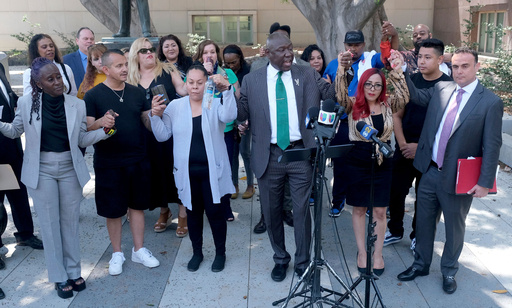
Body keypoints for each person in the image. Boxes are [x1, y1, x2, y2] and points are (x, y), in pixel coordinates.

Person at [0, 57, 110, 299]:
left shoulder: (76, 105)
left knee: (69, 223)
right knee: (49, 226)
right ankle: (59, 277)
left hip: (70, 167)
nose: (58, 82)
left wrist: (105, 131)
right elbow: (14, 130)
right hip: (41, 169)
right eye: (51, 79)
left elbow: (81, 140)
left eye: (59, 76)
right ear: (39, 84)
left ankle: (74, 271)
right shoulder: (27, 103)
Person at [395, 47, 503, 294]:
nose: (459, 71)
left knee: (454, 228)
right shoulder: (442, 89)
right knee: (423, 222)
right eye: (455, 66)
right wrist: (402, 71)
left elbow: (492, 145)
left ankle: (449, 271)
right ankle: (420, 264)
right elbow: (418, 97)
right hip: (430, 172)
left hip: (460, 178)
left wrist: (485, 182)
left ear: (477, 67)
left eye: (465, 66)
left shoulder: (490, 102)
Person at [238, 32, 336, 281]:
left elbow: (331, 95)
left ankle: (303, 262)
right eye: (281, 50)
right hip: (268, 155)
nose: (288, 53)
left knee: (302, 211)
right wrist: (226, 93)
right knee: (271, 212)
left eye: (290, 48)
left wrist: (342, 75)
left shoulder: (306, 74)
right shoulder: (252, 80)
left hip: (299, 152)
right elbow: (240, 113)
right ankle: (280, 258)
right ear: (267, 53)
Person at [149, 65, 236, 272]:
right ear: (185, 83)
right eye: (191, 82)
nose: (195, 87)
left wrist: (228, 90)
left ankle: (220, 253)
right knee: (192, 213)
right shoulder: (175, 107)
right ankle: (197, 253)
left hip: (212, 171)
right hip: (187, 172)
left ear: (206, 83)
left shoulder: (213, 103)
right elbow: (162, 135)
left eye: (200, 82)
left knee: (215, 213)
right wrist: (155, 115)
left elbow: (230, 116)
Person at [85, 49, 160, 276]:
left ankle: (139, 249)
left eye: (125, 64)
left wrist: (154, 113)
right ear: (105, 69)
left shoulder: (137, 93)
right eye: (118, 65)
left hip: (138, 158)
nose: (125, 68)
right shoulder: (93, 95)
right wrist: (101, 122)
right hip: (109, 162)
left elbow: (145, 122)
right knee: (113, 210)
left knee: (137, 206)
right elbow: (86, 128)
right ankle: (117, 252)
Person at [334, 50, 409, 276]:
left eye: (377, 85)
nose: (372, 89)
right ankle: (361, 253)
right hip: (357, 159)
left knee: (379, 211)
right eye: (368, 84)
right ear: (362, 85)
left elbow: (404, 98)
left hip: (383, 160)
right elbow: (338, 95)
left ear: (382, 87)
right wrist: (341, 69)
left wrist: (397, 72)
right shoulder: (351, 104)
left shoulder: (388, 104)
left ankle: (377, 254)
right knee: (359, 209)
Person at [384, 39, 452, 250]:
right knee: (396, 192)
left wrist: (420, 147)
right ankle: (395, 230)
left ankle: (417, 235)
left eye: (427, 57)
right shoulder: (409, 80)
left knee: (424, 197)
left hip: (431, 154)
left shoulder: (448, 87)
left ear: (440, 59)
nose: (421, 61)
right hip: (404, 149)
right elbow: (396, 115)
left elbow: (446, 127)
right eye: (420, 56)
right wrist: (403, 144)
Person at [127, 37, 187, 236]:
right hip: (143, 135)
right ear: (136, 55)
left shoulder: (168, 69)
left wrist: (202, 78)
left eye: (151, 49)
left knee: (174, 168)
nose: (149, 52)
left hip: (170, 130)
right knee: (153, 172)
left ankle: (183, 213)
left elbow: (182, 90)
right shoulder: (130, 77)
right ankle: (164, 210)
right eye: (143, 51)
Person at [0, 62, 44, 260]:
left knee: (19, 192)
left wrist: (18, 101)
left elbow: (9, 96)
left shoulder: (0, 67)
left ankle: (25, 234)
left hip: (12, 144)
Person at [193, 39, 239, 221]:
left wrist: (225, 84)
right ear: (200, 55)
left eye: (212, 52)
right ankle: (206, 206)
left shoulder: (227, 73)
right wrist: (205, 75)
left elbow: (237, 96)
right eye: (205, 52)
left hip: (224, 129)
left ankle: (226, 207)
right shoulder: (195, 73)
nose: (209, 55)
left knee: (224, 168)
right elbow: (187, 94)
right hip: (201, 129)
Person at [222, 44, 254, 200]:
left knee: (245, 152)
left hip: (245, 117)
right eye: (227, 63)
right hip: (229, 117)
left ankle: (250, 184)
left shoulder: (248, 72)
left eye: (233, 62)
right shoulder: (224, 73)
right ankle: (234, 184)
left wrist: (247, 119)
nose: (230, 66)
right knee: (232, 153)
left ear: (240, 58)